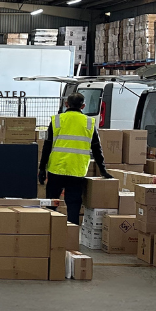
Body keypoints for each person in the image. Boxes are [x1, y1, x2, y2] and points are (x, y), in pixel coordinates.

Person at [38, 92, 112, 225]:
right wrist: (103, 170)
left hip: (57, 169)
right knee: (73, 204)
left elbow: (47, 147)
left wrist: (42, 168)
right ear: (83, 106)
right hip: (77, 170)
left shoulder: (57, 120)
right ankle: (71, 234)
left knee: (51, 202)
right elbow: (97, 149)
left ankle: (49, 232)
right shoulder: (89, 123)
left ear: (66, 104)